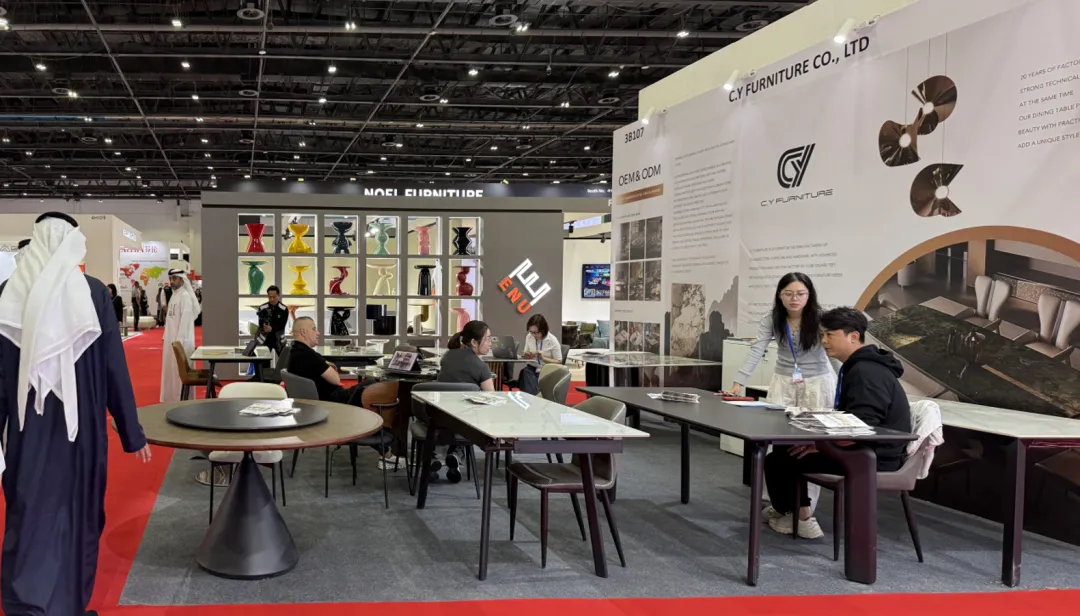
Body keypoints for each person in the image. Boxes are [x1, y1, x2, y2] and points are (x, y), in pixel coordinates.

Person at [0, 212, 150, 616]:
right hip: (80, 433)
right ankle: (67, 603)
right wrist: (131, 431)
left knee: (29, 510)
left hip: (27, 433)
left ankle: (27, 603)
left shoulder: (8, 294)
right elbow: (113, 368)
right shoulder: (93, 292)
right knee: (76, 512)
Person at [762, 307, 912, 539]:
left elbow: (862, 426)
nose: (823, 341)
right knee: (786, 451)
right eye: (822, 335)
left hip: (873, 457)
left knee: (783, 456)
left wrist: (822, 445)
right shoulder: (860, 366)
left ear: (853, 336)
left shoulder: (866, 371)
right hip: (868, 449)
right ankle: (789, 510)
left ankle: (801, 519)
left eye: (830, 335)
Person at [287, 317, 394, 466]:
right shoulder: (307, 355)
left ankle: (386, 446)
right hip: (334, 406)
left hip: (320, 404)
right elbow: (336, 379)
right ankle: (389, 449)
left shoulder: (295, 352)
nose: (318, 332)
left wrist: (325, 364)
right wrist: (327, 365)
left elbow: (325, 367)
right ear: (304, 332)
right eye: (314, 328)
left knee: (371, 386)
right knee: (377, 389)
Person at [730, 272, 836, 407]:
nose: (794, 298)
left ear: (809, 295)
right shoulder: (771, 319)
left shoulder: (822, 318)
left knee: (813, 420)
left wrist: (845, 383)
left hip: (816, 382)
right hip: (783, 381)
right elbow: (757, 350)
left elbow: (833, 352)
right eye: (788, 294)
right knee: (777, 419)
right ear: (780, 295)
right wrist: (739, 381)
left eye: (800, 294)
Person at [431, 321, 496, 482]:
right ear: (474, 342)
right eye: (487, 339)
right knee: (468, 420)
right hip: (465, 421)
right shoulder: (481, 367)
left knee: (451, 419)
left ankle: (437, 456)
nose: (490, 343)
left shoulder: (447, 356)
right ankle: (457, 454)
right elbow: (491, 398)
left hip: (438, 417)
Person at [159, 268, 201, 402]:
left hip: (180, 343)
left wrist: (179, 342)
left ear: (182, 279)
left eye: (174, 278)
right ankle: (171, 399)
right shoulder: (174, 295)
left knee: (179, 372)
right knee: (170, 371)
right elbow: (169, 319)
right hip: (170, 340)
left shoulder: (185, 296)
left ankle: (180, 400)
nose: (172, 281)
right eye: (170, 278)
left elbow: (185, 322)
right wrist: (165, 336)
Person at [515, 313, 562, 395]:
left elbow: (559, 362)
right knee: (525, 373)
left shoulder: (552, 340)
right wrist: (527, 355)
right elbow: (526, 352)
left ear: (543, 330)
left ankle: (531, 398)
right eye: (531, 332)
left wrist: (543, 358)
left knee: (528, 379)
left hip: (546, 370)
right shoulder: (529, 336)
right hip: (532, 368)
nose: (534, 335)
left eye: (536, 332)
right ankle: (532, 398)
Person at [256, 286, 289, 354]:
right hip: (265, 339)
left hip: (279, 339)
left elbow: (282, 325)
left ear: (278, 295)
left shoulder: (284, 309)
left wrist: (272, 328)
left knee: (285, 358)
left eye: (274, 297)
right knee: (262, 359)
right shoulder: (262, 308)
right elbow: (260, 323)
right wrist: (264, 326)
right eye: (270, 297)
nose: (272, 299)